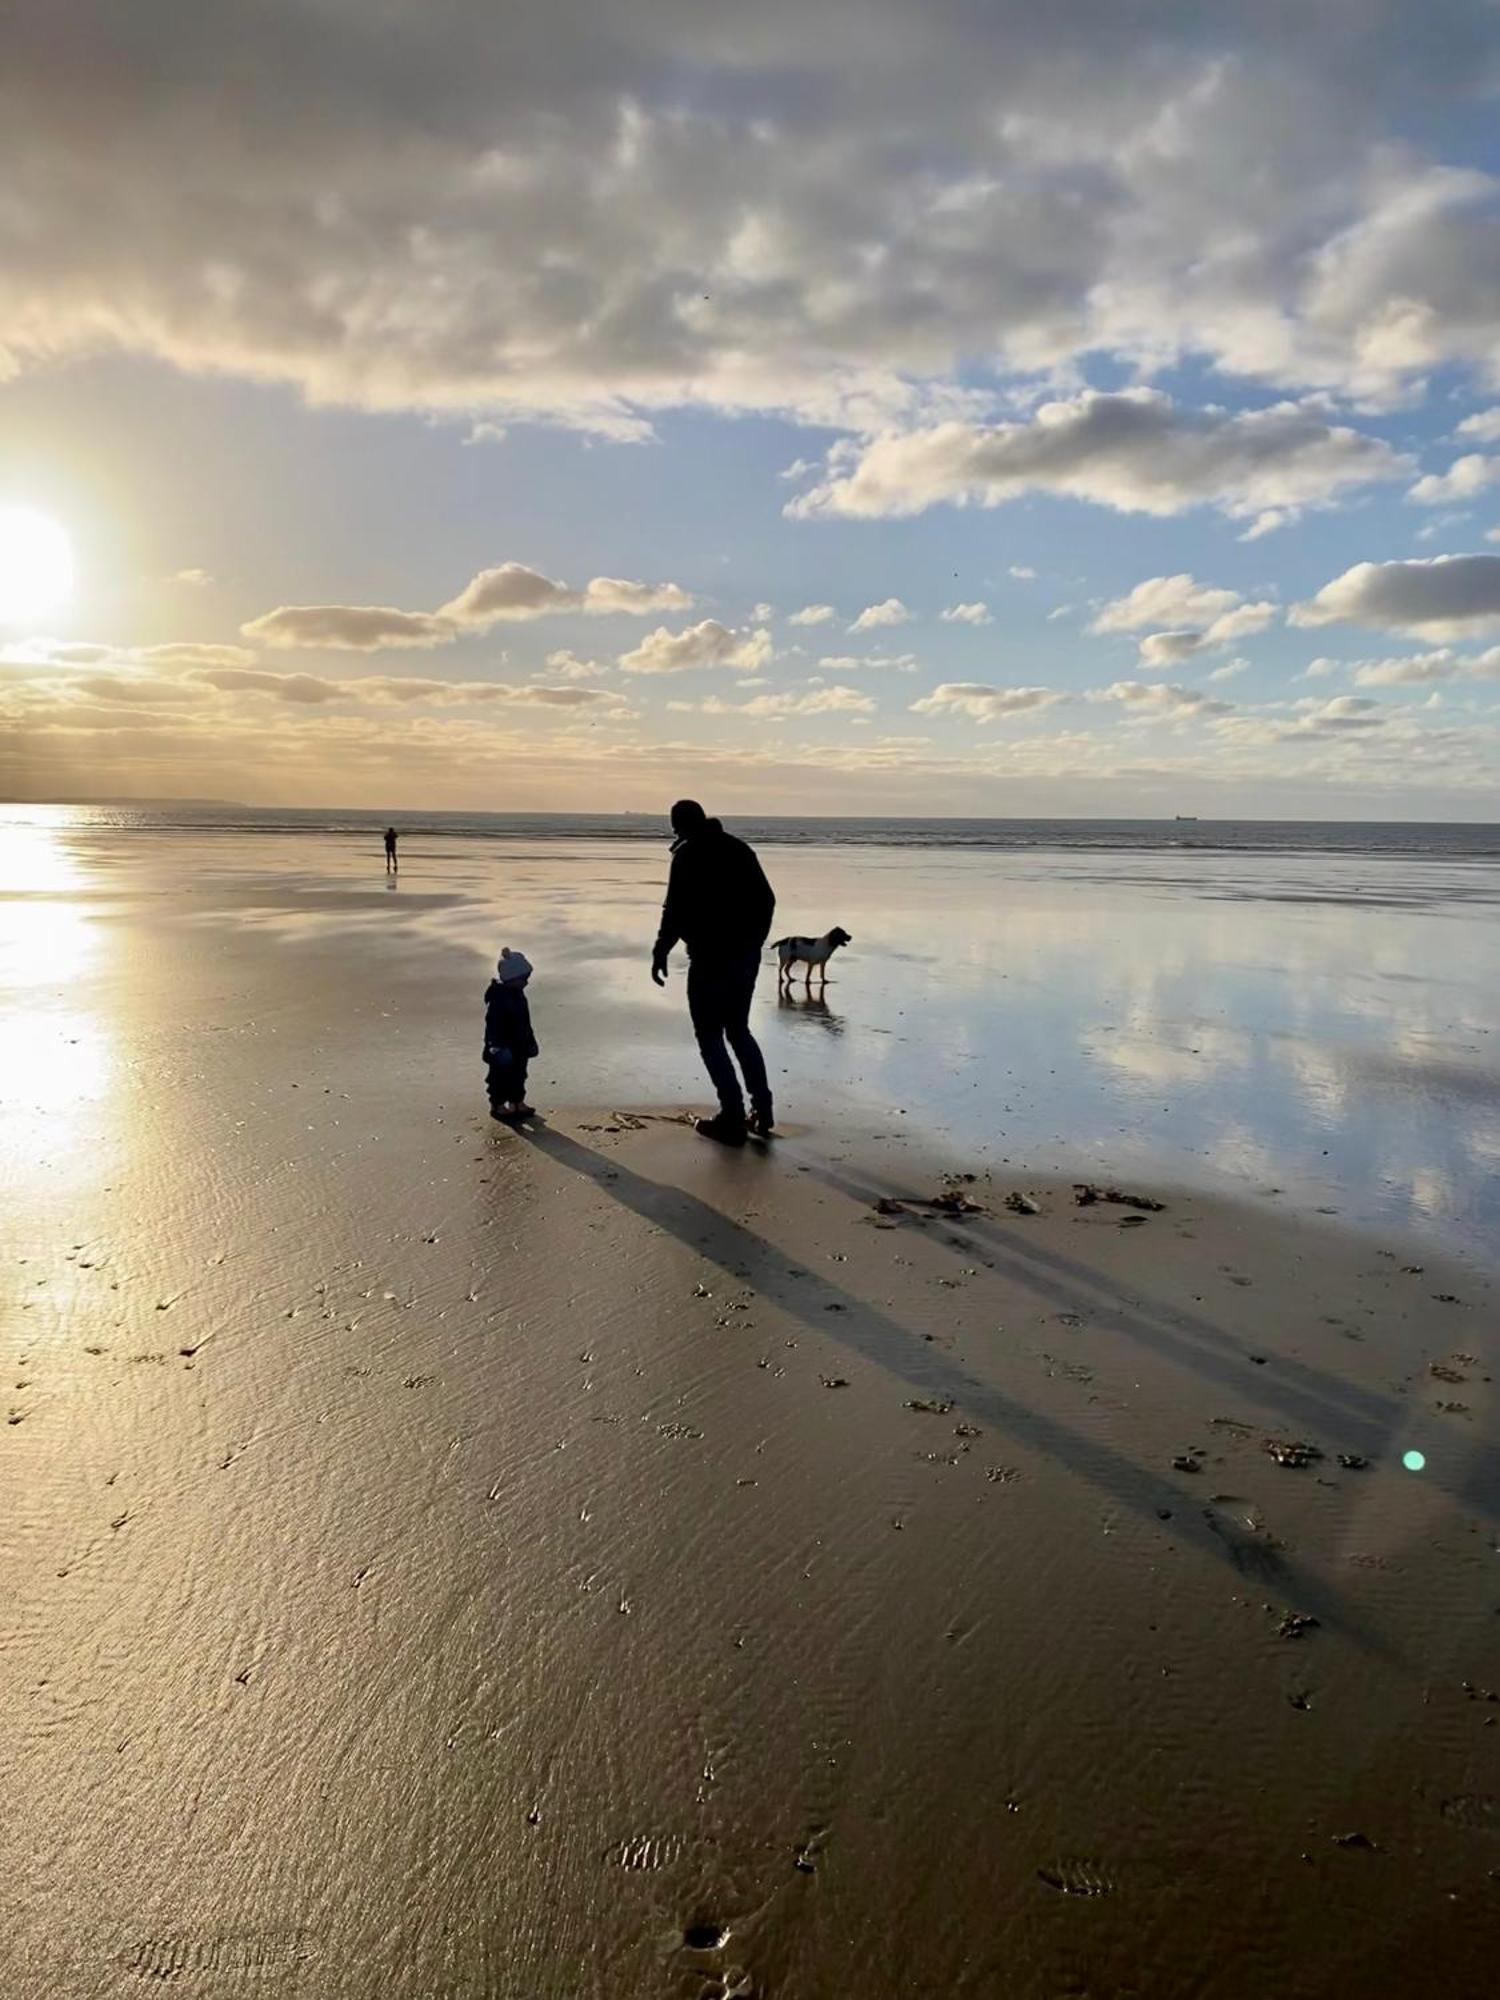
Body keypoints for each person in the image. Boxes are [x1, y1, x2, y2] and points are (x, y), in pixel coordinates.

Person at [651, 800, 775, 1145]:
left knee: (709, 1037)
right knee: (738, 1031)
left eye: (676, 827)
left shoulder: (688, 855)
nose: (675, 833)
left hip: (709, 960)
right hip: (743, 959)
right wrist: (752, 944)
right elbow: (767, 900)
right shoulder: (738, 849)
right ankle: (762, 1111)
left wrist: (661, 950)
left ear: (680, 825)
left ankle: (732, 1116)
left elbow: (674, 910)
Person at [484, 948, 539, 1121]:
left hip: (520, 1043)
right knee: (498, 1077)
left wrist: (530, 1040)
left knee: (520, 1074)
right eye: (524, 979)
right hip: (501, 1046)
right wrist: (495, 1046)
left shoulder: (518, 994)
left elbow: (525, 1021)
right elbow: (492, 1024)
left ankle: (517, 1102)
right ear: (511, 978)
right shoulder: (498, 997)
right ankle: (497, 1105)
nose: (527, 982)